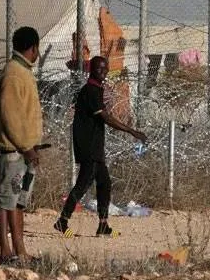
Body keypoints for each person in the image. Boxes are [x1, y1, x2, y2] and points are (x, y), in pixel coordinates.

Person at [54, 56, 147, 238]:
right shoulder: (90, 90)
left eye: (105, 68)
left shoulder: (96, 89)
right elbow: (106, 117)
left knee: (104, 183)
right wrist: (132, 131)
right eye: (99, 68)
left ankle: (103, 225)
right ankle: (62, 221)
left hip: (95, 146)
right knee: (82, 185)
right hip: (89, 146)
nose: (103, 72)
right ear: (91, 70)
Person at [0, 27, 44, 266]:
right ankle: (6, 252)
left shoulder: (22, 72)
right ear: (33, 48)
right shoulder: (14, 74)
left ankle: (20, 251)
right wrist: (25, 146)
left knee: (18, 203)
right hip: (14, 152)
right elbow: (10, 116)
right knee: (6, 203)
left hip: (24, 152)